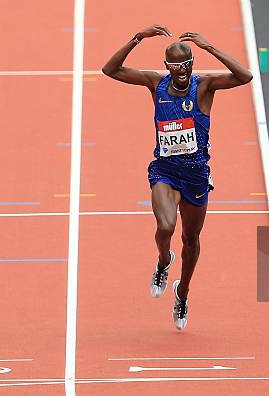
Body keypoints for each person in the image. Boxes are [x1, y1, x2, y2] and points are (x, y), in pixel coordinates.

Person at [102, 24, 252, 330]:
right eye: (175, 65)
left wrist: (209, 47)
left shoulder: (206, 85)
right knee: (166, 226)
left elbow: (244, 76)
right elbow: (110, 69)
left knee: (191, 239)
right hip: (165, 170)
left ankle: (182, 292)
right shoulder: (155, 83)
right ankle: (162, 261)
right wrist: (137, 37)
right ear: (166, 66)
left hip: (196, 174)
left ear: (192, 65)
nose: (181, 71)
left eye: (186, 65)